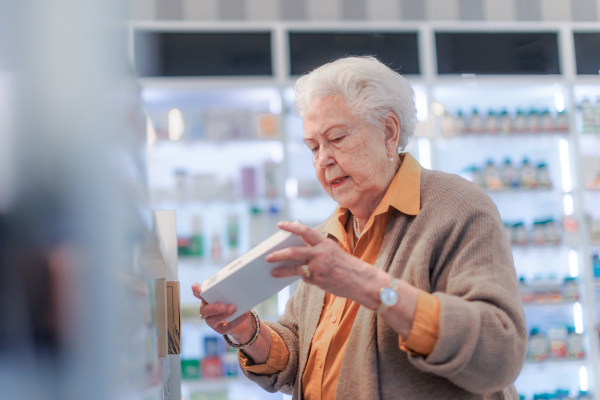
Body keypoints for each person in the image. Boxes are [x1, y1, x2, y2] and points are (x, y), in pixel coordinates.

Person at [192, 56, 526, 399]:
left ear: (388, 131)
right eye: (313, 147)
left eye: (336, 138)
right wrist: (248, 332)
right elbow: (302, 354)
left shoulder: (456, 207)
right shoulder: (326, 235)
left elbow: (500, 352)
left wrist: (368, 285)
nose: (323, 159)